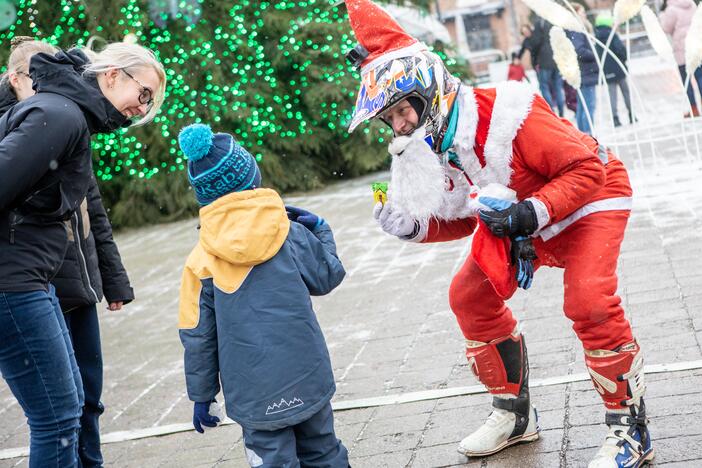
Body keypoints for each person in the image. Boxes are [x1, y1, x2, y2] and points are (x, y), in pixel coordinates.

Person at [344, 1, 652, 467]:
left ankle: (630, 429)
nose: (398, 127)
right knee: (468, 296)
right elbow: (468, 216)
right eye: (389, 119)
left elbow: (586, 168)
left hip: (590, 198)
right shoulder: (438, 143)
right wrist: (415, 227)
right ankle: (515, 415)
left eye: (402, 111)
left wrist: (532, 213)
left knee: (588, 301)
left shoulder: (507, 112)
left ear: (430, 92)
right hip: (522, 215)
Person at [0, 41, 165, 467]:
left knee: (69, 408)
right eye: (143, 94)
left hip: (30, 278)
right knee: (56, 417)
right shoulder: (61, 116)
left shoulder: (68, 115)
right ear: (111, 75)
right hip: (12, 282)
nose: (142, 108)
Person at [177, 124, 349, 467]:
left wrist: (202, 395)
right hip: (307, 374)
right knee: (323, 451)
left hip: (253, 393)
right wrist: (320, 230)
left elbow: (198, 335)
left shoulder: (200, 262)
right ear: (252, 176)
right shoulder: (290, 233)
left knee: (272, 461)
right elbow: (328, 275)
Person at [660, 0, 702, 118]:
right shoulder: (691, 4)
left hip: (682, 49)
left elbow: (666, 28)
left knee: (687, 81)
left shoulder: (671, 10)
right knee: (700, 76)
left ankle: (694, 110)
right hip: (696, 46)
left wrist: (662, 15)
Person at [568, 4, 598, 134]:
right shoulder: (576, 29)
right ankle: (588, 134)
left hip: (583, 72)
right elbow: (579, 50)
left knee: (583, 106)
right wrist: (595, 54)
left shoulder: (575, 28)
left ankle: (583, 134)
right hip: (585, 72)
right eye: (582, 12)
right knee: (588, 106)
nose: (584, 14)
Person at [529, 16, 565, 116]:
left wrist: (535, 59)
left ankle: (552, 111)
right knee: (558, 87)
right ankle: (561, 110)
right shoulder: (554, 21)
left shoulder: (539, 24)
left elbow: (535, 43)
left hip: (544, 60)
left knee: (544, 86)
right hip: (556, 59)